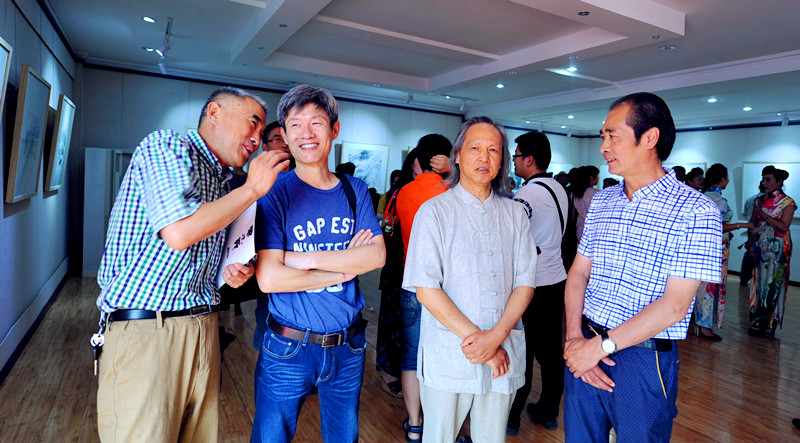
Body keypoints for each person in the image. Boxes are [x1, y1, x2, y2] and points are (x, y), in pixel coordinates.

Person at [95, 86, 290, 442]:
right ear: (214, 113)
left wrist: (229, 273)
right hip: (148, 330)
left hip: (204, 327)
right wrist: (252, 189)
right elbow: (180, 232)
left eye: (262, 132)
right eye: (253, 124)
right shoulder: (167, 145)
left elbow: (196, 261)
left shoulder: (221, 181)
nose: (257, 138)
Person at [563, 92, 722, 442]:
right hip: (585, 343)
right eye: (602, 136)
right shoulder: (603, 200)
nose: (603, 147)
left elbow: (674, 306)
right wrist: (575, 339)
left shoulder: (695, 211)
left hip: (643, 360)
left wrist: (599, 347)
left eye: (612, 136)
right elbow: (579, 273)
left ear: (649, 138)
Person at [252, 85, 386, 442]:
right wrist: (344, 268)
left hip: (348, 346)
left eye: (316, 122)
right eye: (295, 124)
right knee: (270, 437)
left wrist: (303, 260)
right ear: (285, 134)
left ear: (334, 129)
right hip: (289, 347)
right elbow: (270, 278)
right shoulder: (274, 191)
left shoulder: (354, 190)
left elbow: (376, 255)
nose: (306, 133)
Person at [403, 116, 536, 443]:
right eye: (475, 148)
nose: (484, 157)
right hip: (450, 351)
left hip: (503, 348)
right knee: (440, 437)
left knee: (492, 437)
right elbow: (426, 290)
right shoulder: (434, 211)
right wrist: (485, 345)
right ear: (458, 156)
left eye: (494, 150)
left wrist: (496, 338)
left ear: (502, 161)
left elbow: (525, 283)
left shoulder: (516, 214)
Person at [507, 131, 568, 434]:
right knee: (551, 351)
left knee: (524, 349)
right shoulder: (558, 188)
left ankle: (512, 416)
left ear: (529, 160)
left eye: (516, 156)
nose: (513, 162)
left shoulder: (527, 195)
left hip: (532, 281)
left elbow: (511, 237)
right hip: (556, 277)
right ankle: (548, 411)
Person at [394, 134, 453, 442]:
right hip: (447, 288)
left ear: (419, 159)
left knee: (411, 355)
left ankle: (415, 425)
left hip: (412, 283)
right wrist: (453, 171)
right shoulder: (453, 191)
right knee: (445, 355)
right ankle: (440, 427)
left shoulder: (405, 192)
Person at [251, 121, 297, 355]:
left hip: (300, 264)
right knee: (266, 320)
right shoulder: (258, 183)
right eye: (277, 138)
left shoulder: (303, 181)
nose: (284, 143)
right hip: (269, 264)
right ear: (265, 147)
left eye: (286, 137)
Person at [693, 164, 752, 340]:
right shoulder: (719, 201)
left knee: (702, 286)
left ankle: (700, 324)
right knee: (710, 288)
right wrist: (742, 225)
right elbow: (717, 226)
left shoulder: (702, 196)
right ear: (722, 179)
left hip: (701, 247)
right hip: (715, 248)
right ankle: (704, 326)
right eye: (727, 177)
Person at [748, 166, 796, 336]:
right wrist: (750, 240)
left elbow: (783, 226)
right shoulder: (759, 200)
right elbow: (753, 223)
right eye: (763, 179)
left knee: (773, 283)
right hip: (760, 247)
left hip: (778, 248)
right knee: (758, 283)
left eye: (768, 179)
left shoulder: (787, 202)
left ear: (779, 182)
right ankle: (756, 318)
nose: (764, 182)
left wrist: (763, 215)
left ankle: (768, 320)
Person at [571, 165, 600, 245]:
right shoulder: (596, 193)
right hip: (593, 227)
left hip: (580, 225)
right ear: (591, 177)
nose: (598, 178)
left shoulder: (575, 193)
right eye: (597, 175)